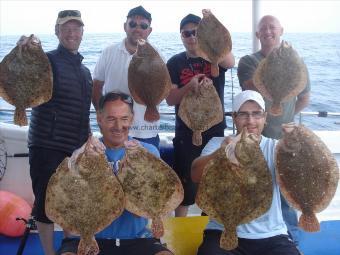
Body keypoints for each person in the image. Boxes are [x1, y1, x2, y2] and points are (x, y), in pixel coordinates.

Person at [57, 92, 172, 255]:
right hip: (90, 237)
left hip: (138, 238)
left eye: (124, 119)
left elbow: (158, 198)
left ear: (132, 119)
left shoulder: (149, 153)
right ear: (99, 119)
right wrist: (80, 157)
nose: (118, 126)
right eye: (111, 119)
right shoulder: (84, 155)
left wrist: (137, 167)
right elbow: (67, 200)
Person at [191, 90, 302, 255]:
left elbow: (298, 178)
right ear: (234, 118)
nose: (250, 121)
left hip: (270, 234)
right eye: (243, 114)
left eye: (256, 114)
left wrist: (297, 143)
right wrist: (220, 154)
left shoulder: (276, 148)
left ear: (265, 118)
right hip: (222, 229)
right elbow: (195, 174)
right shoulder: (218, 143)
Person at [237, 15, 311, 242]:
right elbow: (251, 86)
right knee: (254, 190)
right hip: (254, 140)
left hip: (285, 139)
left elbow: (305, 97)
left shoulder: (297, 62)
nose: (268, 31)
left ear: (281, 30)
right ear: (257, 35)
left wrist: (284, 114)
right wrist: (277, 63)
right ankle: (253, 236)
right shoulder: (248, 61)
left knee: (288, 194)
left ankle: (291, 240)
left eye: (272, 27)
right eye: (263, 29)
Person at [27, 10, 92, 255]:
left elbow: (83, 112)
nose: (71, 33)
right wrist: (29, 48)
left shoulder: (85, 72)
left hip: (75, 150)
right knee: (45, 206)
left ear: (82, 33)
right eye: (66, 28)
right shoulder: (48, 61)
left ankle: (69, 248)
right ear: (57, 31)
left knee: (71, 204)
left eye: (76, 28)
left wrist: (89, 139)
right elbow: (31, 74)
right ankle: (48, 252)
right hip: (47, 145)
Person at [166, 14, 235, 216]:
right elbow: (170, 99)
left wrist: (211, 23)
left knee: (214, 181)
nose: (191, 36)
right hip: (186, 133)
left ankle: (210, 228)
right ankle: (181, 228)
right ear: (181, 36)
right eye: (186, 33)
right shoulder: (174, 63)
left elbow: (230, 61)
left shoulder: (216, 56)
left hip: (215, 131)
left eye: (195, 31)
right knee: (185, 182)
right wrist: (189, 86)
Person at [92, 5, 161, 149]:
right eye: (132, 24)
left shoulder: (159, 56)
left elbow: (165, 87)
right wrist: (101, 116)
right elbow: (96, 86)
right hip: (114, 131)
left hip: (146, 131)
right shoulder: (108, 52)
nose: (138, 29)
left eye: (143, 25)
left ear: (149, 30)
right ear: (125, 26)